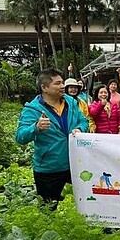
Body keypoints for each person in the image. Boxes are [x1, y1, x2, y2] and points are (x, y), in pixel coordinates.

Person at [15, 68, 89, 202]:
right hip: (48, 169)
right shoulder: (32, 109)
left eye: (62, 82)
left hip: (75, 164)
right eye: (58, 83)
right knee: (48, 210)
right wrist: (36, 128)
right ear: (44, 87)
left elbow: (83, 121)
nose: (62, 86)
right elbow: (20, 137)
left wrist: (80, 128)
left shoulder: (71, 103)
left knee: (82, 204)